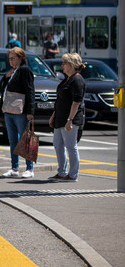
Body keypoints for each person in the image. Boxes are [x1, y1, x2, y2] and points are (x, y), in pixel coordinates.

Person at [48, 53, 85, 182]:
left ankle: (73, 174)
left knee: (71, 146)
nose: (62, 65)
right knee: (58, 144)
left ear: (71, 65)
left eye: (64, 63)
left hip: (70, 119)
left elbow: (76, 102)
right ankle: (61, 172)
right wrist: (54, 115)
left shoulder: (77, 80)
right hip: (60, 117)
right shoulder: (67, 79)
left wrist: (70, 120)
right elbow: (60, 99)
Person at [0, 47, 35, 178]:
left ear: (20, 58)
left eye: (13, 58)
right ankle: (14, 168)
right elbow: (2, 89)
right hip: (9, 110)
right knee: (12, 140)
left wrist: (30, 111)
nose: (11, 61)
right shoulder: (12, 72)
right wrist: (5, 77)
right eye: (9, 59)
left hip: (21, 111)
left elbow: (30, 90)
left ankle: (30, 169)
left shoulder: (24, 70)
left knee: (25, 139)